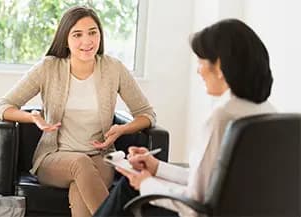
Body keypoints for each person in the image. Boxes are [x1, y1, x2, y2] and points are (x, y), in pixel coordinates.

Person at [93, 18, 276, 217]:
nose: (199, 70)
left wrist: (146, 183)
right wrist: (156, 168)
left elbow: (194, 204)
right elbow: (209, 184)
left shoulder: (223, 117)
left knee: (128, 188)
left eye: (201, 61)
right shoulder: (267, 112)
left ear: (220, 66)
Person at [0, 6, 156, 217]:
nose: (87, 41)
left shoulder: (113, 69)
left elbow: (147, 114)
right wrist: (32, 117)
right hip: (55, 157)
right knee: (80, 163)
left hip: (99, 157)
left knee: (80, 189)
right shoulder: (48, 68)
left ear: (100, 35)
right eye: (77, 34)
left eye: (92, 32)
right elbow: (3, 107)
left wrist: (122, 129)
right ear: (66, 39)